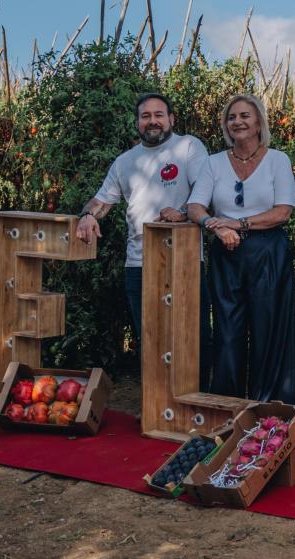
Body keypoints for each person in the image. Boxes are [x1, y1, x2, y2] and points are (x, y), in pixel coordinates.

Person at [75, 92, 208, 368]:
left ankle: (197, 408)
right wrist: (88, 215)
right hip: (139, 264)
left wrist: (183, 213)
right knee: (151, 343)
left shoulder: (188, 147)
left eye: (159, 115)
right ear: (137, 123)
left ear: (171, 118)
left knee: (193, 341)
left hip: (184, 260)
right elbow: (101, 201)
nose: (153, 121)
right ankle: (155, 409)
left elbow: (205, 192)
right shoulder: (125, 162)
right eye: (145, 116)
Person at [186, 93, 295, 403]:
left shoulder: (278, 159)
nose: (238, 122)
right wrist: (215, 225)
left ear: (259, 121)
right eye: (232, 117)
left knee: (269, 328)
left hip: (268, 252)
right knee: (227, 330)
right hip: (226, 253)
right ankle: (227, 405)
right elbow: (194, 206)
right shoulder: (213, 162)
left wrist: (238, 224)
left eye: (245, 116)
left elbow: (283, 211)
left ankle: (270, 408)